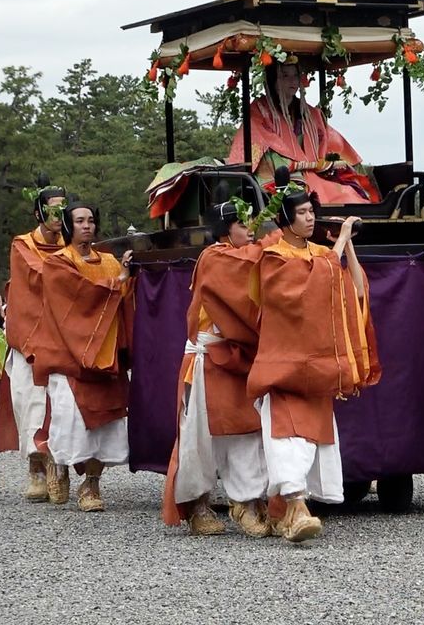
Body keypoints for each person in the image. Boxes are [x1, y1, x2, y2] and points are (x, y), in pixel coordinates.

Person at [245, 172, 376, 542]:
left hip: (316, 364)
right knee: (287, 437)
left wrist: (346, 247)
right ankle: (297, 507)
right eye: (302, 213)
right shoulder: (273, 258)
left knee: (308, 440)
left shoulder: (322, 253)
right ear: (285, 219)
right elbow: (303, 292)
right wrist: (340, 246)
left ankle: (285, 512)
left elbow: (356, 290)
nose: (310, 218)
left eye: (311, 212)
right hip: (284, 363)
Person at [162, 201, 271, 538]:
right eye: (242, 223)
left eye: (251, 222)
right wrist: (276, 239)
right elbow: (249, 265)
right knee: (200, 438)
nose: (250, 228)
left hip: (239, 353)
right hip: (207, 357)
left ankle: (248, 501)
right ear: (225, 229)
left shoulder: (246, 255)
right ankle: (198, 506)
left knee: (248, 430)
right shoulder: (216, 257)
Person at [30, 203, 133, 512]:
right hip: (69, 357)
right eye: (79, 221)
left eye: (90, 220)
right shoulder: (57, 262)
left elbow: (123, 299)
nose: (87, 226)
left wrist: (128, 277)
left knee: (105, 423)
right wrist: (118, 283)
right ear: (68, 225)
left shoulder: (112, 262)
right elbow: (77, 297)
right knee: (69, 420)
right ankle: (57, 463)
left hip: (106, 356)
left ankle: (91, 484)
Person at [0, 181, 67, 502]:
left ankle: (60, 467)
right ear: (39, 212)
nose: (58, 215)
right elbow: (37, 277)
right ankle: (36, 469)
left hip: (62, 336)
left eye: (63, 209)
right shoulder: (22, 244)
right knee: (32, 402)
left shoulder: (72, 244)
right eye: (52, 209)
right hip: (30, 337)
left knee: (61, 404)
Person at [225, 61, 378, 204]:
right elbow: (262, 147)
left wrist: (329, 162)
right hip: (281, 175)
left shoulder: (311, 113)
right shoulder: (259, 110)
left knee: (349, 193)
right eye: (285, 75)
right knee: (305, 194)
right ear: (273, 80)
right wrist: (296, 165)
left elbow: (328, 140)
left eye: (295, 75)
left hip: (314, 171)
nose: (292, 81)